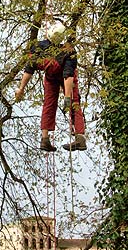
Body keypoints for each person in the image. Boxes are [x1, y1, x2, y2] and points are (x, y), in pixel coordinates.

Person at [15, 20, 87, 151]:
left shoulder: (48, 49)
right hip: (53, 77)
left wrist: (21, 88)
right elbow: (68, 75)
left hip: (57, 78)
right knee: (63, 103)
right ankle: (68, 138)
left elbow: (29, 70)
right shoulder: (60, 51)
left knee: (61, 103)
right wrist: (21, 88)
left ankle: (55, 138)